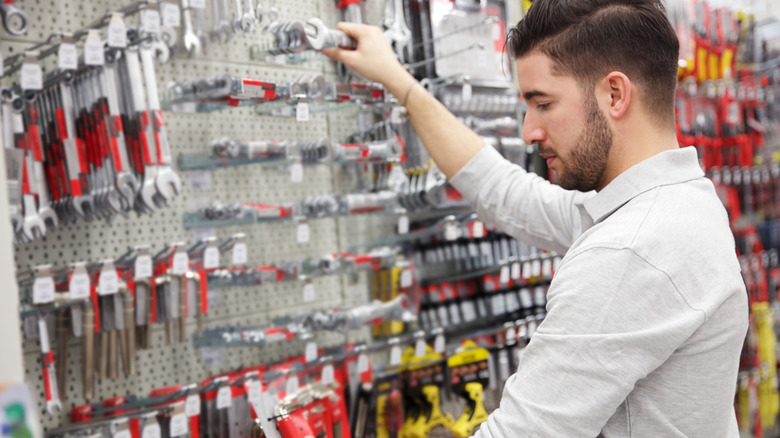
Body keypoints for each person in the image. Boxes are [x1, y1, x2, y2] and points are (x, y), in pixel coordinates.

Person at [325, 0, 749, 436]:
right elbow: (505, 192)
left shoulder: (630, 251)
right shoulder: (677, 201)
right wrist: (400, 81)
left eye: (542, 103)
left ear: (615, 95)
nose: (529, 130)